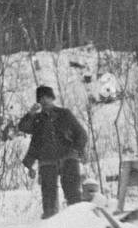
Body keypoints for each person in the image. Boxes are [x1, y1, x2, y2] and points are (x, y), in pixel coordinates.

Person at [17, 85, 87, 218]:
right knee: (49, 199)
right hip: (46, 160)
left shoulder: (64, 114)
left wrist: (77, 150)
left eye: (47, 97)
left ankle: (79, 221)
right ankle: (50, 226)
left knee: (73, 194)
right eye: (41, 98)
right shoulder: (37, 119)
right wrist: (30, 114)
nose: (44, 100)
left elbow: (81, 134)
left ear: (52, 98)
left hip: (68, 157)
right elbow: (23, 127)